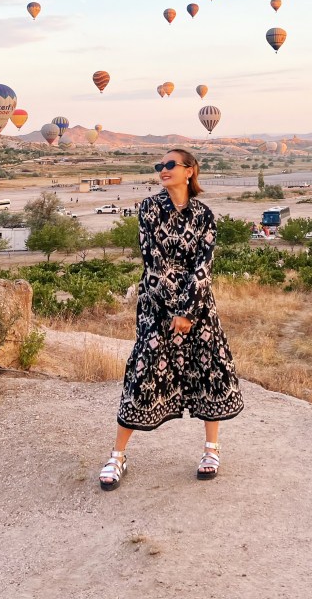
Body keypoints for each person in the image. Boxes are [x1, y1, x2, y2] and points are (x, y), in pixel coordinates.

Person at [99, 149, 243, 490]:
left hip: (199, 308)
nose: (162, 170)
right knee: (143, 370)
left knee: (209, 369)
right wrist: (175, 310)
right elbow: (154, 262)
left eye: (169, 165)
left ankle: (211, 450)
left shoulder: (205, 215)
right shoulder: (150, 209)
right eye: (159, 166)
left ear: (190, 171)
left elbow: (203, 267)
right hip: (157, 305)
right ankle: (118, 456)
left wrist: (189, 311)